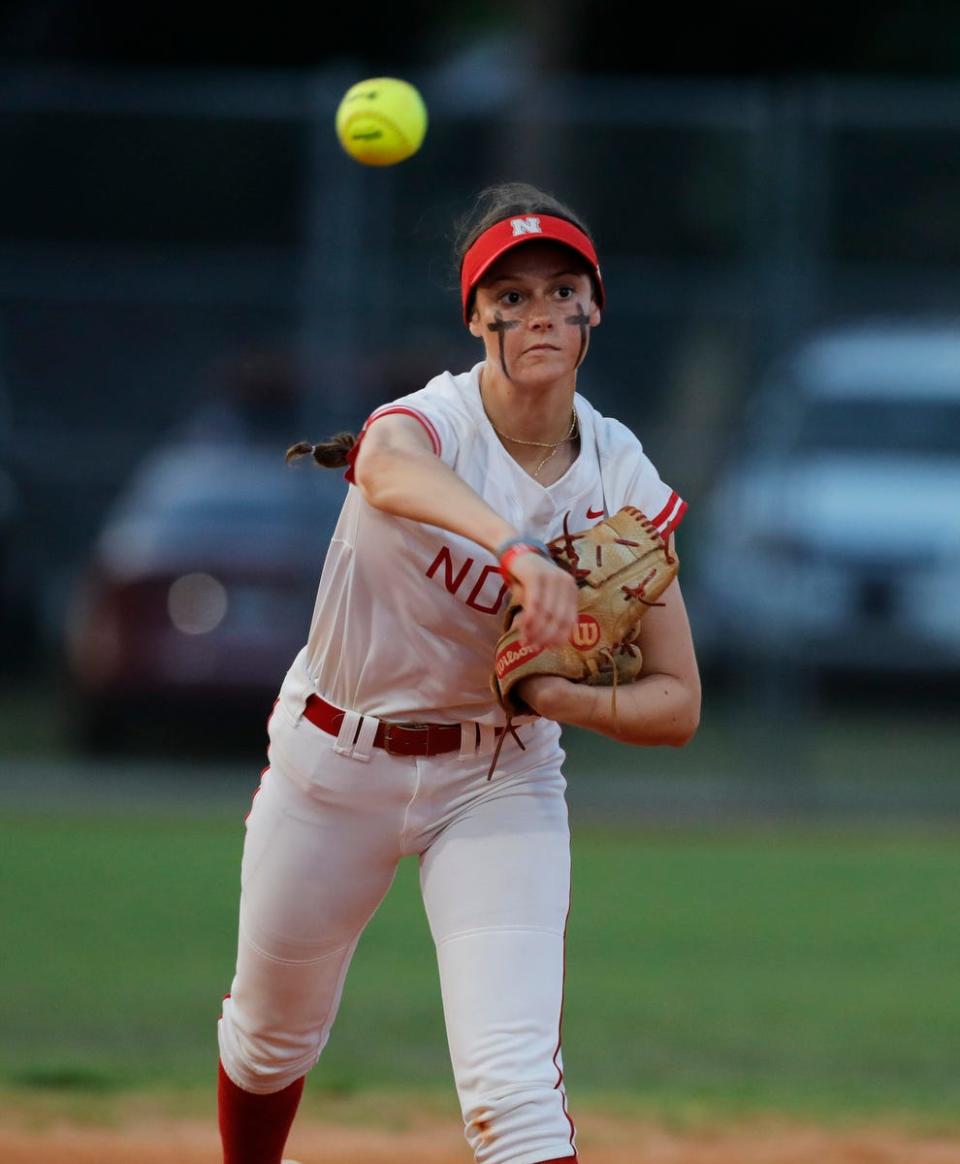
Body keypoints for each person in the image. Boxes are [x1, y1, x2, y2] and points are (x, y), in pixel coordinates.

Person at [216, 181, 701, 1164]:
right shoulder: (431, 422)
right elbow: (386, 467)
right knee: (270, 1041)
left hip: (499, 777)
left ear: (594, 307)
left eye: (561, 290)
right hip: (333, 759)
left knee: (513, 1091)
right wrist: (518, 549)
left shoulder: (618, 478)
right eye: (509, 295)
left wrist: (552, 693)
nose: (537, 313)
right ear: (475, 316)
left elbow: (679, 701)